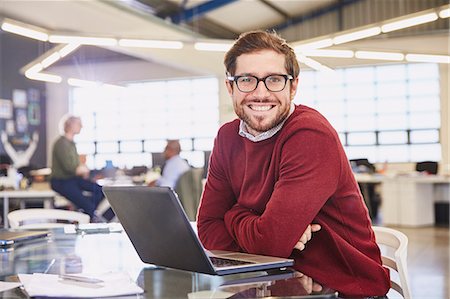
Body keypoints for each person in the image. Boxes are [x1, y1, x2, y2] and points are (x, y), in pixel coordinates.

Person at [197, 30, 390, 298]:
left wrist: (233, 214)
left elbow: (269, 243)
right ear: (230, 86)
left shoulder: (309, 134)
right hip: (271, 279)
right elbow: (207, 229)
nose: (260, 93)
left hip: (344, 288)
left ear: (293, 86)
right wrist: (264, 230)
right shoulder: (227, 137)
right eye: (247, 80)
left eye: (274, 80)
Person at [50, 115, 113, 222]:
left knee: (101, 191)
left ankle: (86, 213)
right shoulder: (61, 143)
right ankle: (88, 213)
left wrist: (83, 169)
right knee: (88, 206)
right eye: (79, 124)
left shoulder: (71, 144)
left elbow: (77, 165)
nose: (81, 126)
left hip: (72, 179)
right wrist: (83, 169)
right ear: (70, 125)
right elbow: (70, 167)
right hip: (62, 181)